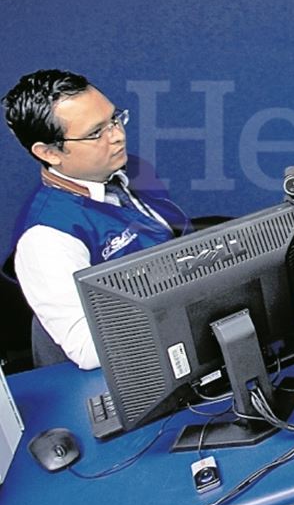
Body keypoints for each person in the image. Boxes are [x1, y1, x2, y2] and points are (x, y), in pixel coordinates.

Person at [3, 70, 191, 369]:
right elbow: (88, 348)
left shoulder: (127, 175)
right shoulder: (46, 238)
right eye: (95, 133)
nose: (117, 135)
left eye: (114, 119)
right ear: (49, 152)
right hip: (126, 374)